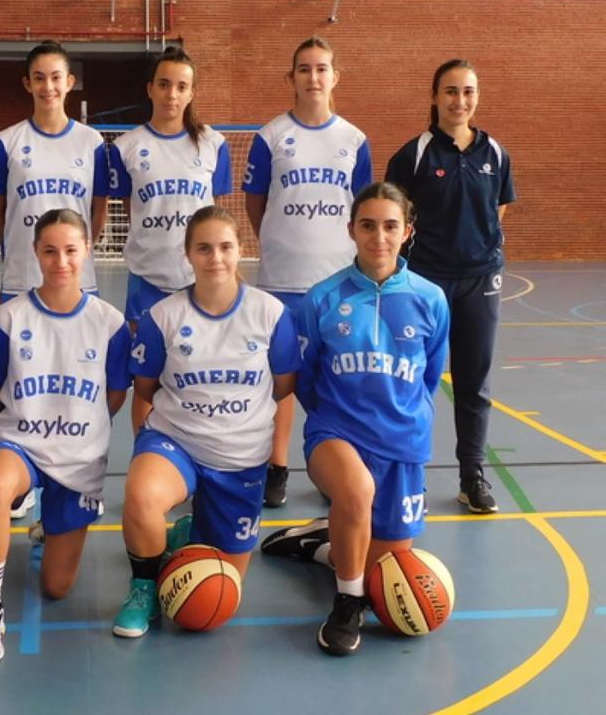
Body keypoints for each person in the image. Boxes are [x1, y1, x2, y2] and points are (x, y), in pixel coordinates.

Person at [260, 182, 450, 656]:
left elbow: (430, 376)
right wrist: (328, 419)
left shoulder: (431, 300)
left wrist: (409, 422)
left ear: (407, 231)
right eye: (367, 225)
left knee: (388, 570)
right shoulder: (322, 298)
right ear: (351, 230)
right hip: (336, 433)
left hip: (402, 443)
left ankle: (319, 543)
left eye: (390, 226)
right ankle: (345, 604)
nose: (378, 237)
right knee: (356, 498)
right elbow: (307, 376)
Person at [112, 205, 299, 638]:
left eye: (225, 247)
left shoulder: (270, 315)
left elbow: (283, 386)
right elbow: (144, 391)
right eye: (204, 248)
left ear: (240, 250)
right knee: (142, 496)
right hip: (177, 442)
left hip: (240, 459)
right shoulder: (164, 317)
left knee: (217, 595)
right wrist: (146, 452)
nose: (215, 258)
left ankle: (186, 532)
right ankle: (142, 584)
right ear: (188, 254)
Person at [0, 209, 131, 664]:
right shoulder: (7, 319)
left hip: (79, 457)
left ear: (87, 251)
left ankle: (49, 525)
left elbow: (114, 396)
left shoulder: (109, 322)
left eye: (71, 250)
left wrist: (78, 428)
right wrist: (28, 424)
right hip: (21, 443)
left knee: (56, 588)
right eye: (50, 250)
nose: (61, 261)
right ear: (35, 252)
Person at [241, 37, 372, 509]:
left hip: (336, 281)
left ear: (335, 76)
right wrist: (279, 241)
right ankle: (276, 466)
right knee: (277, 381)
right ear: (291, 78)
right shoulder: (271, 137)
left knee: (335, 379)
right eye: (303, 69)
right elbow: (256, 203)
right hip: (281, 280)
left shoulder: (354, 140)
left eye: (321, 69)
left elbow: (362, 208)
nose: (312, 78)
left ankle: (333, 465)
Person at [385, 59, 516, 513]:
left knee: (473, 382)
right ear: (435, 97)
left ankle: (471, 475)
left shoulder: (495, 153)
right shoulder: (414, 154)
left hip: (480, 281)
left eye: (468, 92)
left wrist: (477, 252)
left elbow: (498, 209)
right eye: (451, 91)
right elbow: (395, 216)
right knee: (414, 380)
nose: (460, 101)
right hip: (425, 283)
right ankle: (408, 473)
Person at [109, 45, 232, 434]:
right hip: (148, 282)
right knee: (146, 381)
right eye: (164, 84)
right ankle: (146, 458)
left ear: (192, 92)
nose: (172, 94)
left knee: (200, 375)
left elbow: (218, 217)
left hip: (201, 283)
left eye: (181, 86)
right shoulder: (127, 148)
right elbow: (129, 206)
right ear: (150, 89)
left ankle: (199, 452)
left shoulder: (212, 144)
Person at [0, 40, 111, 302]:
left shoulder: (92, 141)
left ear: (69, 82)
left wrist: (80, 250)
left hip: (77, 277)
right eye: (39, 78)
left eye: (55, 77)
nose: (48, 87)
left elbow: (99, 210)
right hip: (22, 275)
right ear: (28, 84)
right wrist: (15, 247)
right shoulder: (6, 141)